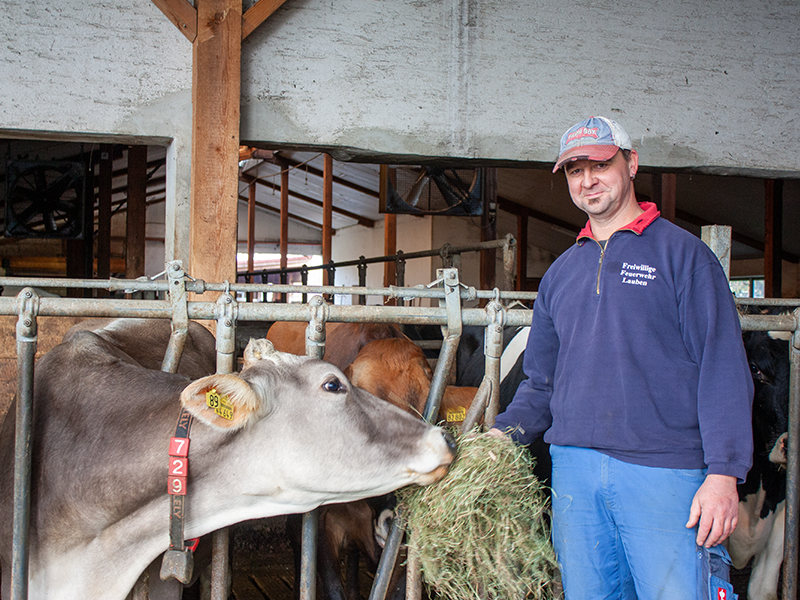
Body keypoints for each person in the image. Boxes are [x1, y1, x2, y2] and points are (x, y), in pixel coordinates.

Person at [490, 116, 753, 599]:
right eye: (574, 170)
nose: (587, 179)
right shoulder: (560, 275)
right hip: (574, 473)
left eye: (600, 164)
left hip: (665, 473)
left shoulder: (684, 257)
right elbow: (541, 384)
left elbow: (723, 369)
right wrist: (498, 439)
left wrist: (723, 473)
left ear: (631, 164)